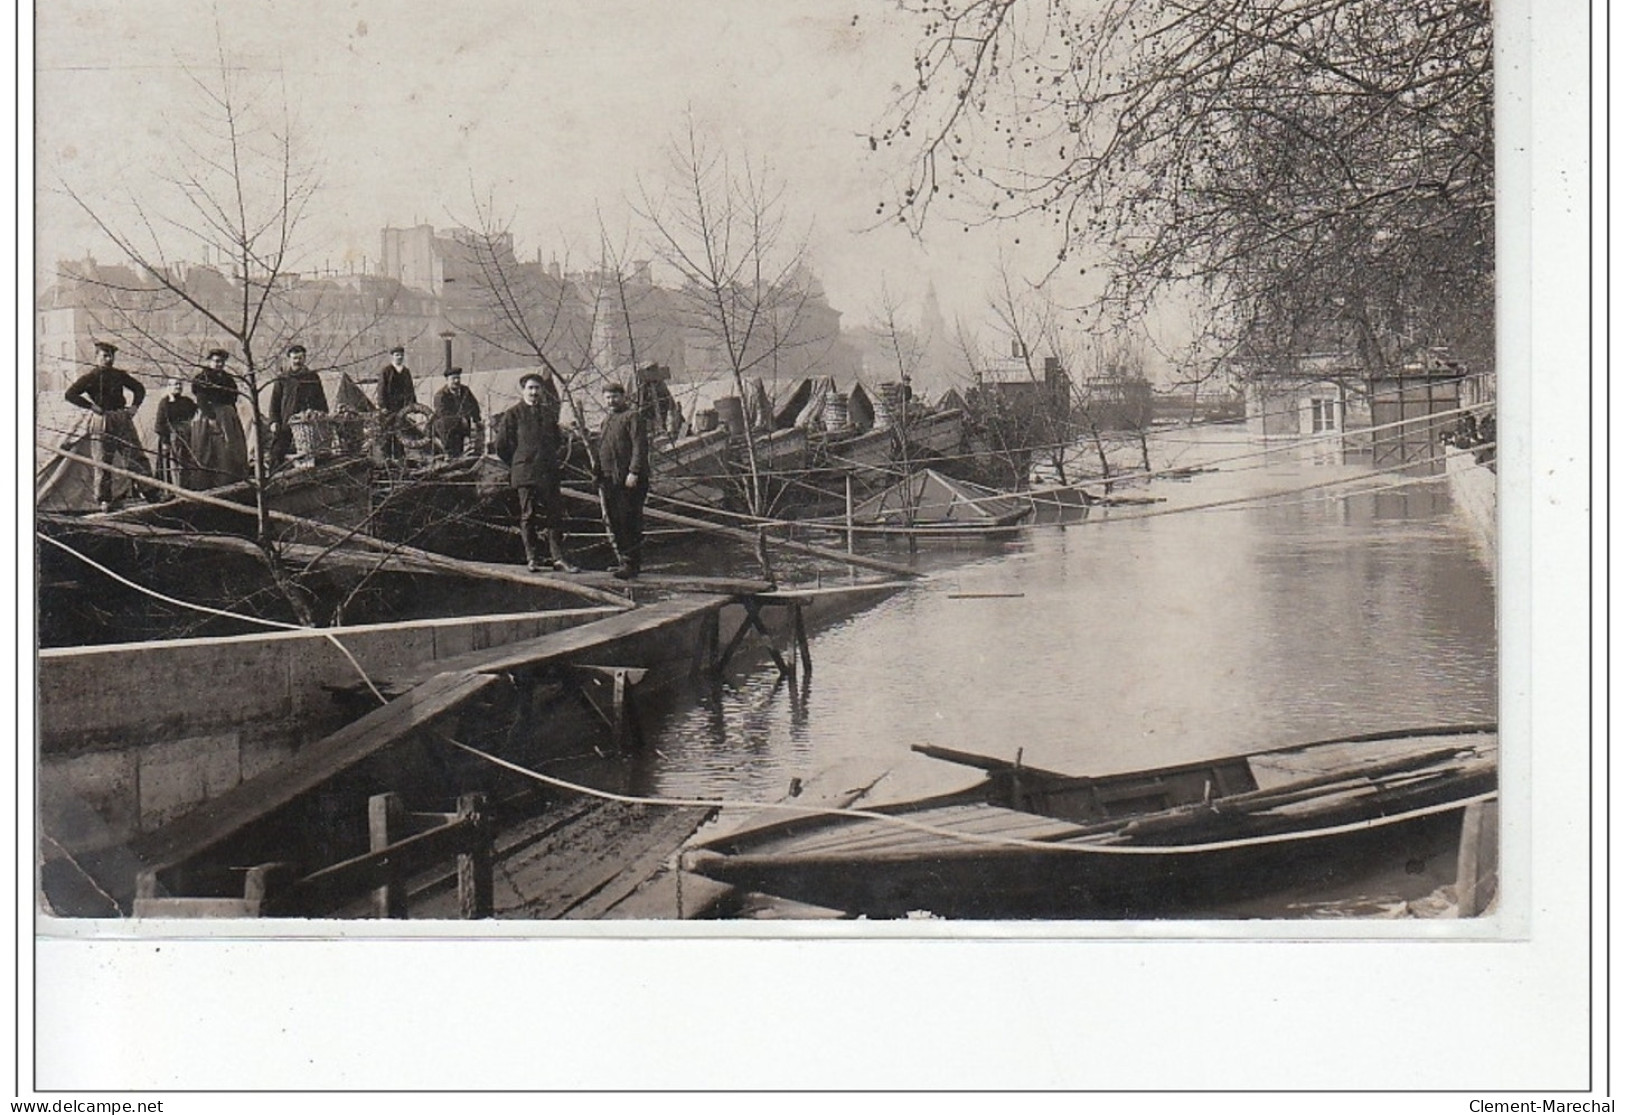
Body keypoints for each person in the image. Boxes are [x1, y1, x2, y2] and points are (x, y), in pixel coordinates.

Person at [494, 369, 578, 573]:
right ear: (523, 391)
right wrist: (518, 462)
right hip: (525, 473)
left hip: (548, 472)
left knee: (554, 516)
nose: (534, 392)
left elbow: (557, 441)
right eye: (530, 388)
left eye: (537, 388)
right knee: (528, 515)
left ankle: (558, 558)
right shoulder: (513, 414)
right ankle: (533, 558)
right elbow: (502, 446)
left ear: (542, 391)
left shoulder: (548, 414)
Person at [63, 341, 155, 510]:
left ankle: (152, 493)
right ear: (96, 357)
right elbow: (70, 394)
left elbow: (139, 388)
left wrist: (134, 407)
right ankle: (104, 500)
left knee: (135, 455)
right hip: (102, 419)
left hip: (121, 417)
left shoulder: (119, 375)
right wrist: (91, 406)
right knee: (103, 460)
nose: (108, 359)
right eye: (104, 355)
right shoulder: (90, 377)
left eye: (111, 356)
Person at [595, 381, 649, 579]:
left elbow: (639, 446)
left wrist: (634, 471)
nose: (611, 401)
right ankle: (624, 560)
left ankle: (632, 564)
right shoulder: (607, 420)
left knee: (629, 520)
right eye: (608, 397)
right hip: (610, 480)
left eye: (615, 396)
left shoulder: (632, 416)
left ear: (623, 396)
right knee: (615, 520)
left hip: (629, 479)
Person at [188, 348, 250, 489]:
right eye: (216, 361)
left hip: (227, 415)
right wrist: (211, 418)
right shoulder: (202, 378)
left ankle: (228, 479)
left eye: (221, 362)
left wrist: (232, 415)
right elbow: (201, 399)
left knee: (229, 447)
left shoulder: (228, 379)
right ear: (209, 362)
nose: (219, 364)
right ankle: (205, 483)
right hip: (208, 415)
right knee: (206, 448)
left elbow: (233, 398)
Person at [266, 343, 328, 470]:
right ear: (289, 359)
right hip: (286, 422)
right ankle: (274, 477)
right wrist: (273, 421)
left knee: (310, 453)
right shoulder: (282, 379)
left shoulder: (312, 377)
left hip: (307, 423)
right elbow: (275, 402)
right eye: (295, 358)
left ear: (304, 359)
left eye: (300, 358)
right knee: (277, 451)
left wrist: (322, 415)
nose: (297, 361)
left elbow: (320, 399)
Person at [152, 377, 197, 489]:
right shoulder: (165, 403)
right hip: (171, 437)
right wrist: (165, 441)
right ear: (169, 387)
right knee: (173, 463)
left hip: (186, 435)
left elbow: (196, 411)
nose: (178, 387)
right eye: (175, 384)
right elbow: (160, 424)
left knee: (188, 462)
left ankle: (188, 486)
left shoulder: (186, 401)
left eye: (180, 384)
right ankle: (175, 488)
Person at [377, 345, 417, 459]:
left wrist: (412, 404)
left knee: (401, 433)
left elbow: (410, 389)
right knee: (389, 433)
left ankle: (400, 457)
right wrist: (382, 406)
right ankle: (387, 458)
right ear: (392, 357)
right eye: (397, 355)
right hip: (389, 409)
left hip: (402, 408)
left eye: (401, 355)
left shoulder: (406, 371)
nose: (399, 357)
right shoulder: (386, 371)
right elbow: (381, 389)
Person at [432, 366, 482, 458]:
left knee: (462, 450)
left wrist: (477, 419)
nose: (456, 381)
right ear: (447, 381)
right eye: (453, 379)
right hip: (446, 429)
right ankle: (449, 454)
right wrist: (460, 420)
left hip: (463, 426)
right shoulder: (440, 395)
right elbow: (443, 414)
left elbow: (474, 405)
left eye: (458, 378)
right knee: (452, 451)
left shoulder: (465, 391)